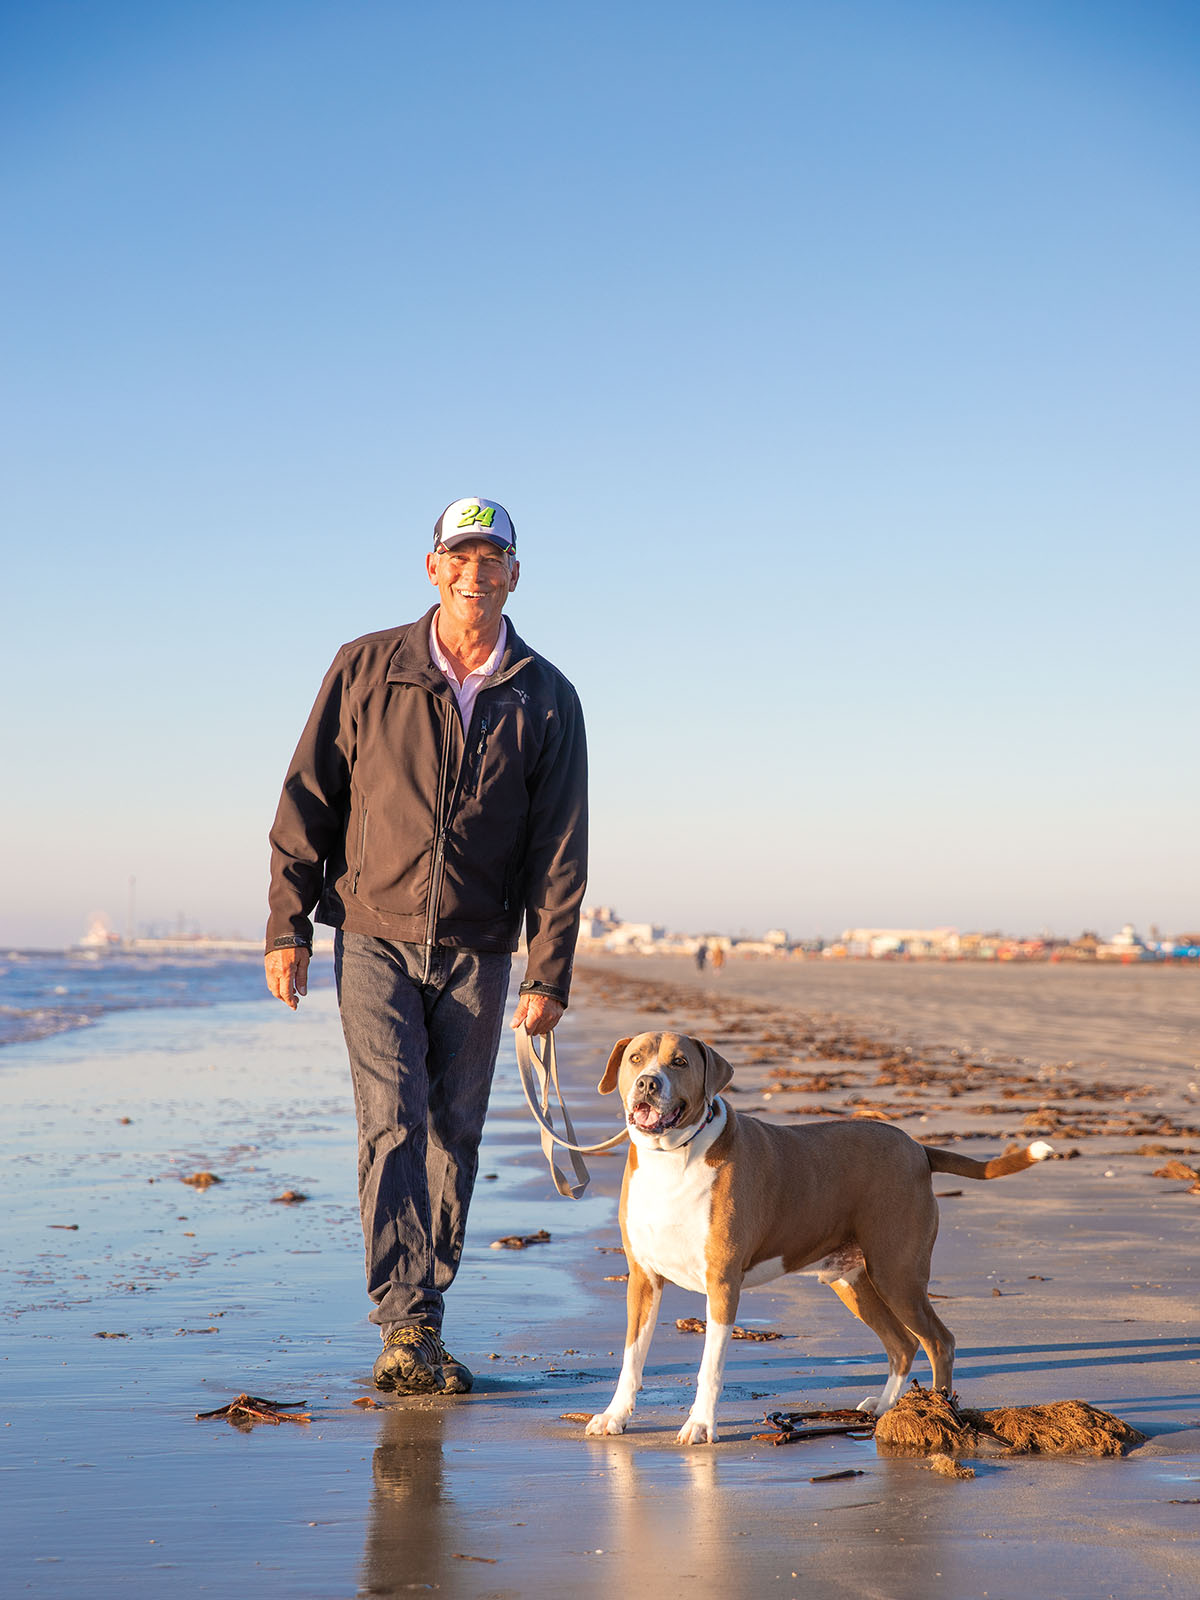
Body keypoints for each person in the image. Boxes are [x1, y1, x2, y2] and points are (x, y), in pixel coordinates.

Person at [263, 498, 587, 1395]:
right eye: (460, 555)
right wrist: (286, 925)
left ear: (514, 574)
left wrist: (548, 971)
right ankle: (404, 1322)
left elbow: (561, 848)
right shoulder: (366, 667)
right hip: (370, 935)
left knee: (456, 1134)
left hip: (480, 949)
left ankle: (426, 1314)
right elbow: (307, 799)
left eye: (493, 558)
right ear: (433, 567)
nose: (475, 572)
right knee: (393, 1118)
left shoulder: (548, 696)